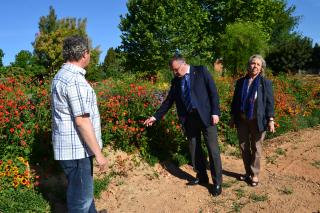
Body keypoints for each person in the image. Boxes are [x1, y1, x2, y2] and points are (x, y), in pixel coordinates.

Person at [144, 54, 223, 196]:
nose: (175, 72)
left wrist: (215, 112)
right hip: (189, 119)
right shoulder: (175, 81)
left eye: (176, 69)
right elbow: (168, 101)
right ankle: (202, 177)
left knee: (213, 150)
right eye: (172, 70)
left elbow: (213, 93)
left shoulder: (201, 71)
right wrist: (155, 116)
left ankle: (217, 183)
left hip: (206, 117)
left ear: (184, 64)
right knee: (194, 149)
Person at [51, 35, 107, 213]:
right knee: (79, 203)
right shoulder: (75, 80)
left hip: (71, 151)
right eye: (89, 53)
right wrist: (99, 154)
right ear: (84, 54)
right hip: (78, 152)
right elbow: (82, 121)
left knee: (84, 197)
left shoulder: (61, 76)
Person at [230, 54, 275, 187]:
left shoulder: (265, 83)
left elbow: (269, 103)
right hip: (242, 120)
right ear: (248, 65)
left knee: (256, 148)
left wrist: (270, 119)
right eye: (253, 63)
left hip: (258, 120)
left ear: (261, 68)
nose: (255, 66)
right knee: (244, 148)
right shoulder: (240, 82)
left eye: (258, 64)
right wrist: (233, 117)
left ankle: (254, 174)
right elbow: (235, 102)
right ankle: (247, 172)